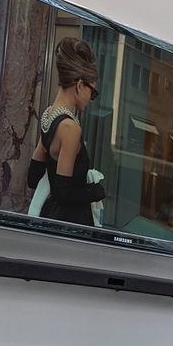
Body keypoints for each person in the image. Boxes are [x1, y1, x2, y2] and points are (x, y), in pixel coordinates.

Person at [26, 37, 105, 227]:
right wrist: (96, 191)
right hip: (69, 223)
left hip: (49, 217)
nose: (91, 98)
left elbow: (33, 177)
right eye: (92, 92)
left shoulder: (48, 115)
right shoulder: (70, 128)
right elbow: (63, 194)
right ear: (79, 85)